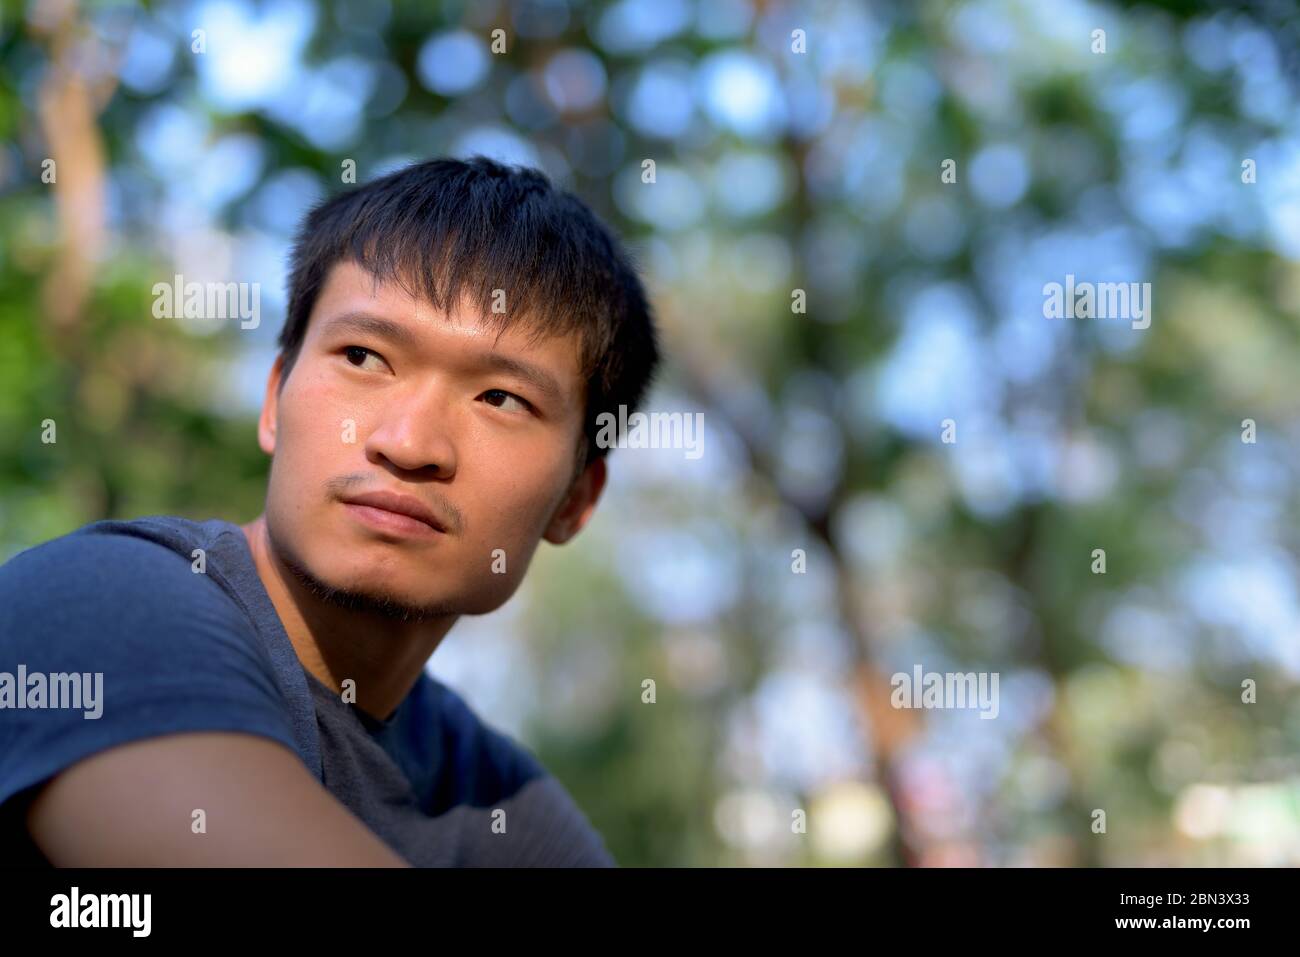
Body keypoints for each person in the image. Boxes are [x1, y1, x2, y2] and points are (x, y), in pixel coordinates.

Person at [0, 156, 660, 866]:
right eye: (363, 355)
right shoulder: (98, 604)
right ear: (274, 400)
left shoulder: (499, 805)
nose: (408, 444)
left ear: (574, 500)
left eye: (501, 398)